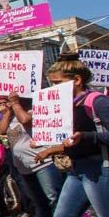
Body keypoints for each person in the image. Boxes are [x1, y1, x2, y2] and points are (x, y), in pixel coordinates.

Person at [33, 52, 109, 217]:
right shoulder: (64, 106)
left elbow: (83, 137)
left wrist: (86, 136)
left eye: (58, 83)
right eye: (51, 84)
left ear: (77, 80)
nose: (53, 88)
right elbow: (70, 139)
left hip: (99, 169)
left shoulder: (97, 101)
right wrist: (45, 143)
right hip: (75, 170)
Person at [0, 90, 62, 217]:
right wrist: (9, 111)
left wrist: (16, 104)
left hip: (42, 163)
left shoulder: (32, 109)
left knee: (53, 199)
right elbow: (2, 129)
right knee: (38, 202)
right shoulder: (11, 115)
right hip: (24, 167)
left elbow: (26, 120)